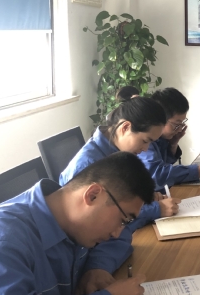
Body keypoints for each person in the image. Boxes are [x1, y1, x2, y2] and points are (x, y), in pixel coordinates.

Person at [0, 153, 156, 295]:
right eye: (123, 220)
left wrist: (96, 268)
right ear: (93, 195)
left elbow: (120, 239)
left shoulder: (73, 221)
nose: (117, 232)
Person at [60, 89, 179, 220]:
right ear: (125, 127)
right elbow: (94, 220)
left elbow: (122, 198)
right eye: (145, 141)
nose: (145, 149)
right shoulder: (88, 165)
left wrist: (144, 198)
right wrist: (155, 210)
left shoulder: (120, 152)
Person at [140, 87, 200, 196]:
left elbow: (164, 163)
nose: (180, 129)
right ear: (159, 118)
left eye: (182, 123)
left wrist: (173, 144)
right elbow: (159, 175)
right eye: (176, 124)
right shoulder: (145, 140)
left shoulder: (162, 138)